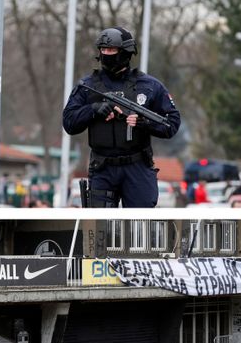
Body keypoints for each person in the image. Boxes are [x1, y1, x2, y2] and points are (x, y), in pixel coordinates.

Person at [63, 27, 181, 208]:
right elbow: (69, 122)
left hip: (137, 167)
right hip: (102, 168)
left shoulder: (149, 86)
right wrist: (94, 109)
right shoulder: (87, 86)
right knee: (99, 227)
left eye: (112, 50)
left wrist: (144, 123)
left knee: (139, 225)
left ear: (125, 52)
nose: (107, 53)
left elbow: (171, 123)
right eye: (103, 50)